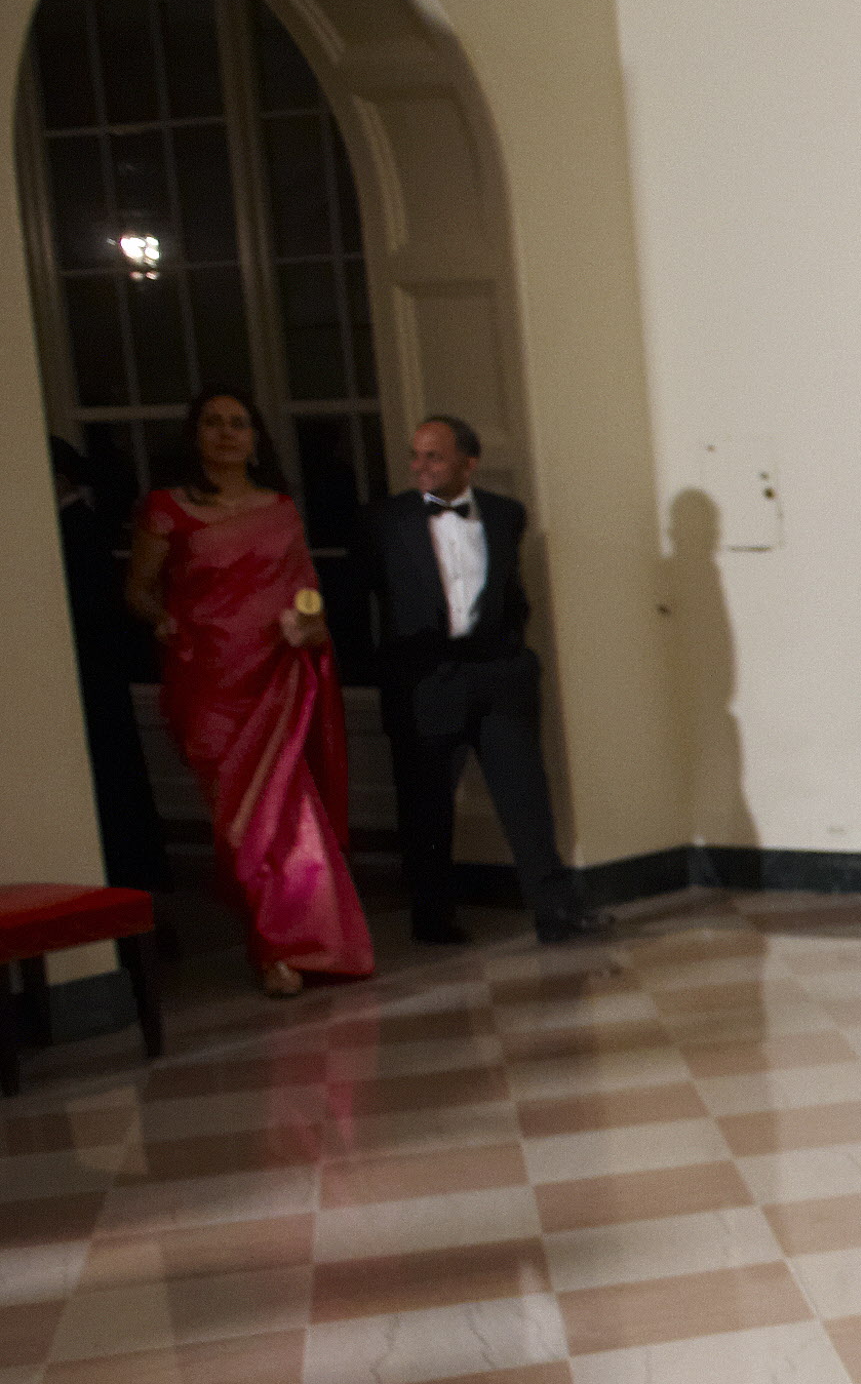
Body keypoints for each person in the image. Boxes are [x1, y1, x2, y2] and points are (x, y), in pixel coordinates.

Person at [124, 390, 372, 997]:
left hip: (277, 676)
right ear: (195, 435)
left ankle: (300, 946)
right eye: (213, 423)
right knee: (243, 822)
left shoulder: (279, 509)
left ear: (256, 438)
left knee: (292, 812)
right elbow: (138, 590)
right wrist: (163, 621)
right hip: (210, 683)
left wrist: (310, 622)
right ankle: (275, 945)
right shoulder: (167, 508)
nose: (227, 434)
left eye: (239, 424)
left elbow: (306, 586)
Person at [364, 415, 611, 945]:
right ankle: (432, 919)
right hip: (426, 682)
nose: (419, 466)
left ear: (468, 463)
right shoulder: (385, 521)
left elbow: (511, 594)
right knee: (426, 806)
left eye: (434, 456)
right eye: (416, 455)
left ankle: (557, 913)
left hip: (497, 678)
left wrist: (513, 658)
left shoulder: (504, 515)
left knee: (526, 799)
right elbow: (354, 597)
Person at [52, 435, 169, 895]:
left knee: (116, 785)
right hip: (100, 676)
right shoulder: (85, 526)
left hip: (94, 676)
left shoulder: (77, 529)